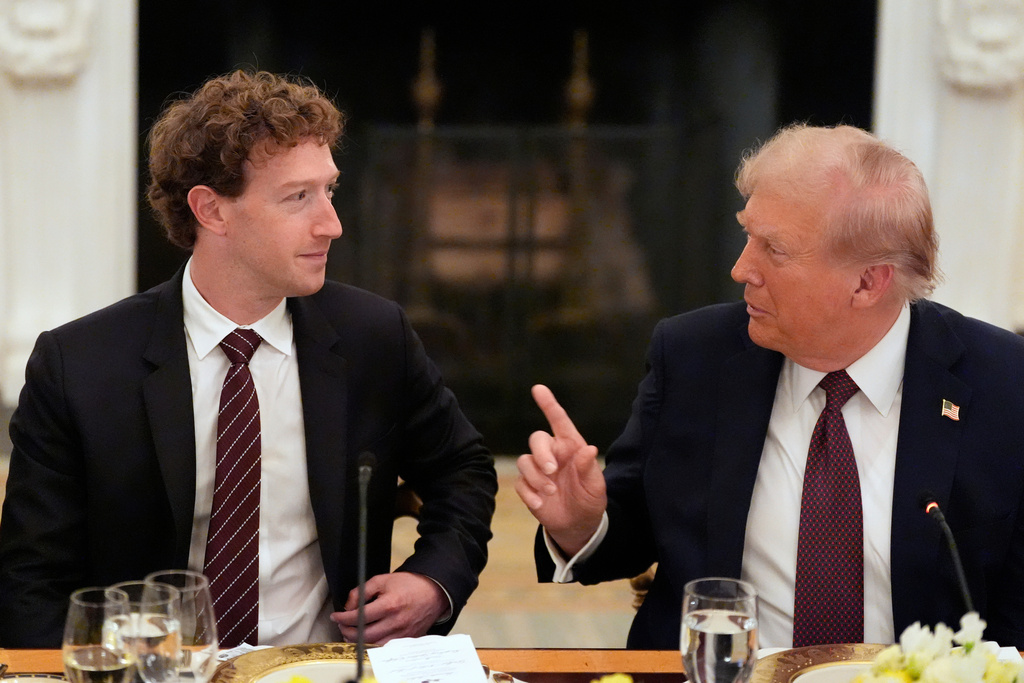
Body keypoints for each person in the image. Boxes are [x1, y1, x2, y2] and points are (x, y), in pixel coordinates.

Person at [0, 69, 497, 648]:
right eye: (297, 198)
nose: (331, 224)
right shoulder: (80, 366)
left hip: (321, 667)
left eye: (329, 190)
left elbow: (463, 470)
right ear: (211, 211)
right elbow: (28, 587)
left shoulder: (373, 337)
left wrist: (433, 581)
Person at [516, 123, 1024, 650]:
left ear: (869, 282)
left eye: (775, 250)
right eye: (747, 236)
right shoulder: (695, 357)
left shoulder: (1002, 384)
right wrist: (580, 524)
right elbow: (632, 528)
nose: (741, 269)